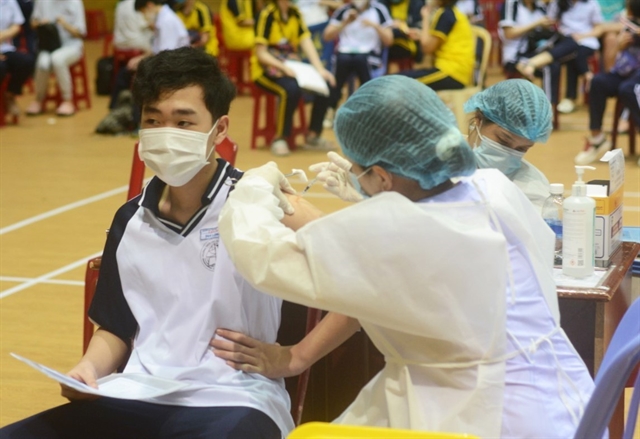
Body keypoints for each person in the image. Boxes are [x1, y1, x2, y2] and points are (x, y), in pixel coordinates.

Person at [213, 75, 595, 437]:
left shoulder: (394, 235)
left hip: (489, 415)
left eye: (365, 176)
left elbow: (263, 257)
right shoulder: (492, 187)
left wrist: (252, 188)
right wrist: (369, 199)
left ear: (382, 176)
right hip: (565, 397)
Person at [0, 47, 293, 439]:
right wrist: (88, 369)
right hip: (136, 393)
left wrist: (292, 359)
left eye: (183, 122)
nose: (166, 133)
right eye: (153, 120)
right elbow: (117, 327)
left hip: (235, 399)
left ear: (219, 129)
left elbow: (358, 276)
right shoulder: (129, 219)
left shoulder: (258, 201)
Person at [252, 0, 337, 156]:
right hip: (265, 71)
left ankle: (313, 135)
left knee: (326, 83)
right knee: (290, 89)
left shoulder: (295, 14)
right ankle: (280, 139)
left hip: (292, 67)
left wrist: (320, 69)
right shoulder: (266, 16)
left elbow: (306, 41)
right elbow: (261, 53)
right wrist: (283, 68)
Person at [464, 79, 554, 211]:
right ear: (479, 120)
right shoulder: (436, 167)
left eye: (522, 149)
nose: (508, 154)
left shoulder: (532, 190)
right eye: (503, 141)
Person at [575, 0, 640, 165]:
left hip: (635, 80)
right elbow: (610, 66)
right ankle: (598, 139)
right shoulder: (628, 27)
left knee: (628, 89)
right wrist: (619, 46)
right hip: (625, 73)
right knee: (598, 82)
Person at [516, 0, 605, 114]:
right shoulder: (559, 3)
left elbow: (599, 28)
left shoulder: (591, 4)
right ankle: (581, 83)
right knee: (567, 48)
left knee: (574, 50)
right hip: (563, 40)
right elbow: (550, 21)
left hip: (586, 41)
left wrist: (583, 36)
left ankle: (531, 63)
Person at [321, 0, 394, 128]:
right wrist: (345, 22)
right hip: (345, 53)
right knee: (342, 62)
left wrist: (374, 25)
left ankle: (370, 111)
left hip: (369, 55)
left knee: (361, 61)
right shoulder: (344, 10)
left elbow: (389, 40)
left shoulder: (379, 10)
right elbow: (326, 36)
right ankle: (331, 109)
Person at [25, 0, 86, 117]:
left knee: (57, 59)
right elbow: (32, 23)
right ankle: (38, 100)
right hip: (49, 45)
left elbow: (81, 33)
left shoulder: (75, 3)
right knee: (42, 63)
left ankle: (67, 100)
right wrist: (41, 23)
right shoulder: (42, 2)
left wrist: (64, 24)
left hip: (71, 46)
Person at [398, 0, 475, 90]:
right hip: (451, 71)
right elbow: (435, 40)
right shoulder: (450, 12)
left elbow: (426, 48)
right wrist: (420, 35)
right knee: (400, 78)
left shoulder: (447, 14)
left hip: (452, 73)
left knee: (400, 81)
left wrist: (425, 17)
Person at [0, 0, 35, 118]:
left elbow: (16, 25)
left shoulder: (9, 1)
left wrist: (4, 35)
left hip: (5, 47)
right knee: (1, 67)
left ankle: (10, 95)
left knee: (26, 61)